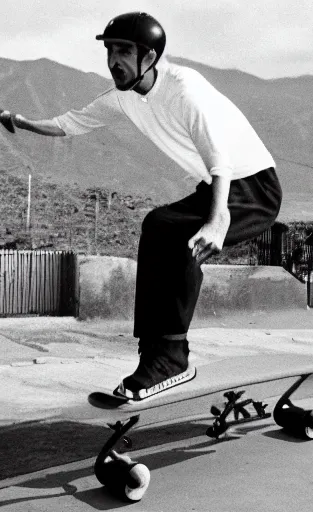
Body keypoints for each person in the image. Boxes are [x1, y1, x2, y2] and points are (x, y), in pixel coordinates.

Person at [0, 12, 282, 400]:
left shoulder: (185, 89)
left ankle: (171, 355)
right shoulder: (122, 98)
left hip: (252, 187)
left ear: (149, 56)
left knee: (183, 238)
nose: (113, 61)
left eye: (124, 51)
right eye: (110, 51)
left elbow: (220, 160)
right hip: (219, 185)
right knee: (157, 224)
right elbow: (69, 123)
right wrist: (20, 121)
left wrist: (217, 222)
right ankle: (153, 351)